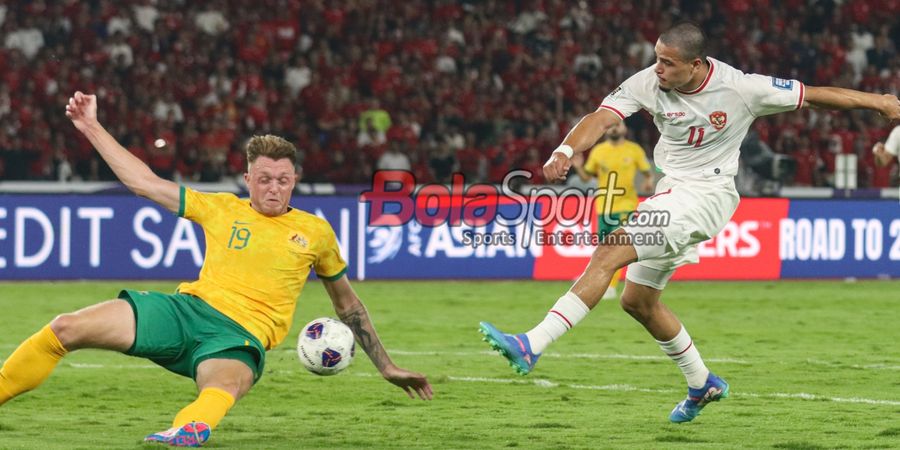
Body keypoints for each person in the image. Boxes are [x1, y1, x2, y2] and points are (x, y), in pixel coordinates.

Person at [480, 22, 900, 423]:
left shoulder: (741, 88)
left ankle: (532, 343)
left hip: (706, 196)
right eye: (657, 58)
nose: (658, 68)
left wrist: (879, 101)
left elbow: (815, 95)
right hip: (671, 191)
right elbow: (602, 117)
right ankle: (702, 384)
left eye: (668, 62)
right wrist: (565, 151)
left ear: (696, 64)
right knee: (637, 301)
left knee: (609, 251)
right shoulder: (649, 80)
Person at [0, 92, 433, 447]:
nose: (273, 187)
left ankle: (187, 430)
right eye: (264, 178)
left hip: (239, 338)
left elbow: (348, 305)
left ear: (295, 180)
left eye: (283, 179)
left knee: (222, 387)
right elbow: (145, 184)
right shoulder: (222, 209)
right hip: (185, 312)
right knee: (65, 328)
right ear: (247, 178)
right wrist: (91, 126)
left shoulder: (315, 232)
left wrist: (387, 366)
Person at [571, 121, 654, 300]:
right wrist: (578, 166)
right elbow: (586, 178)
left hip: (625, 206)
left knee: (617, 247)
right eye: (611, 125)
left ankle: (610, 285)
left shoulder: (634, 150)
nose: (614, 128)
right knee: (603, 248)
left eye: (618, 125)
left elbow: (648, 172)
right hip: (603, 206)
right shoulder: (598, 151)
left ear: (624, 128)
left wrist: (648, 181)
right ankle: (597, 280)